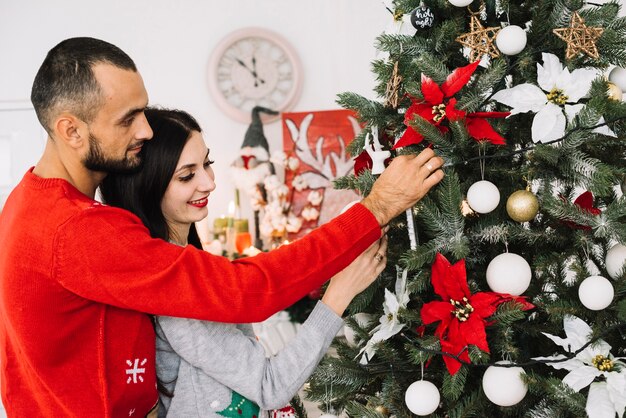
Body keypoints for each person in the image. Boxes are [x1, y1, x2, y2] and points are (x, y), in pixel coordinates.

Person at [0, 37, 444, 417]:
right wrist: (379, 205)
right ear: (70, 131)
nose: (146, 130)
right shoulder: (76, 230)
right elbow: (250, 292)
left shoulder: (28, 202)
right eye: (127, 118)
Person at [100, 107, 389, 417]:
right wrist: (339, 293)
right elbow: (270, 385)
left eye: (206, 164)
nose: (209, 182)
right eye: (187, 175)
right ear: (149, 187)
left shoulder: (187, 264)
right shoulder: (175, 290)